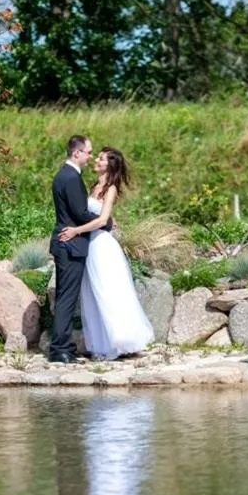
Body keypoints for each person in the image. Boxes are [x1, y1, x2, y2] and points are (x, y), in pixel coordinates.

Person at [58, 147, 154, 360]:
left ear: (109, 164)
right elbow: (95, 214)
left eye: (100, 159)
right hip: (91, 244)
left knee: (107, 291)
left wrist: (76, 231)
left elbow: (102, 220)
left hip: (102, 245)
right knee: (93, 294)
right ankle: (102, 344)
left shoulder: (110, 188)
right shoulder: (94, 186)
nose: (96, 160)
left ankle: (121, 339)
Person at [48, 135, 103, 364]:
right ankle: (60, 349)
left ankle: (62, 346)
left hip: (66, 244)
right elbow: (79, 213)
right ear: (77, 153)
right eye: (89, 152)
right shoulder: (71, 178)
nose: (91, 157)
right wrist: (105, 221)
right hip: (70, 245)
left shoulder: (64, 175)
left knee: (64, 297)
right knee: (66, 298)